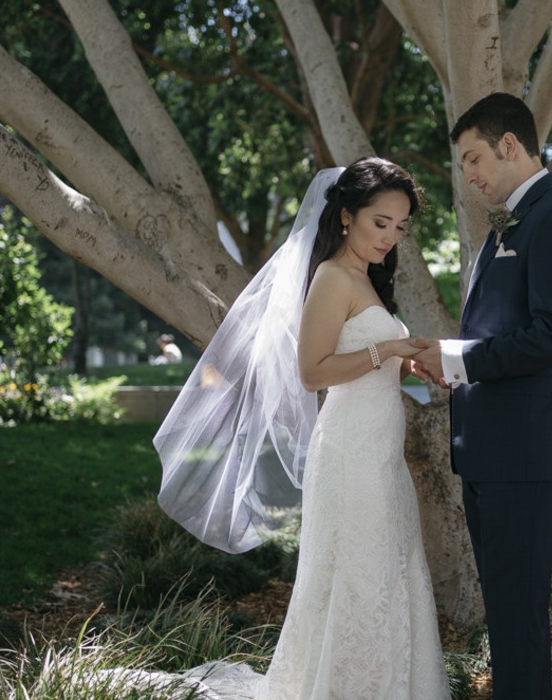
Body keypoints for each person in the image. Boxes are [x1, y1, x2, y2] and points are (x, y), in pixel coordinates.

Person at [152, 158, 450, 699]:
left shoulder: (365, 277)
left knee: (388, 569)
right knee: (359, 575)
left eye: (400, 226)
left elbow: (361, 357)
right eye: (380, 222)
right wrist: (388, 348)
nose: (390, 237)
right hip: (350, 453)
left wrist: (412, 362)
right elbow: (312, 372)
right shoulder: (333, 277)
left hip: (379, 452)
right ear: (345, 216)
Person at [413, 92, 552, 699]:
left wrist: (459, 359)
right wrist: (450, 361)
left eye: (473, 159)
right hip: (490, 452)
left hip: (525, 454)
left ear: (510, 146)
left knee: (519, 617)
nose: (467, 176)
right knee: (507, 616)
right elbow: (496, 332)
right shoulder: (505, 225)